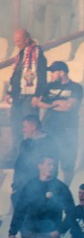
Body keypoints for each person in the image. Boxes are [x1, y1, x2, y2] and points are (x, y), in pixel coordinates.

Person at [8, 155, 74, 238]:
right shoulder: (30, 186)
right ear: (40, 166)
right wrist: (12, 232)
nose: (52, 167)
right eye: (48, 164)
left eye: (54, 165)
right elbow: (20, 210)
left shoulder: (61, 187)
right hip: (31, 235)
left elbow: (71, 212)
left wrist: (59, 230)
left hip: (51, 237)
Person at [35, 61, 83, 184]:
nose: (51, 75)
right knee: (49, 159)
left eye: (53, 72)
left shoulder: (75, 87)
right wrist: (55, 104)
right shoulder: (49, 86)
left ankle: (66, 188)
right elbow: (37, 102)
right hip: (49, 128)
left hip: (68, 130)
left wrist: (50, 105)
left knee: (67, 162)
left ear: (62, 72)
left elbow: (69, 106)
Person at [8, 28, 47, 160]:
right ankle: (18, 154)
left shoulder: (37, 54)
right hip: (17, 98)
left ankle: (33, 155)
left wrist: (38, 95)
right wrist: (10, 91)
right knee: (16, 127)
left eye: (18, 41)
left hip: (30, 98)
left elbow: (41, 76)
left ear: (26, 39)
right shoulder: (21, 54)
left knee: (31, 128)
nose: (16, 44)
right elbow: (16, 75)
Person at [11, 115, 58, 207]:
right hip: (22, 188)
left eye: (25, 127)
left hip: (40, 190)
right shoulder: (25, 143)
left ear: (33, 126)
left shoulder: (49, 143)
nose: (23, 130)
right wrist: (15, 187)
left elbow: (52, 167)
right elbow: (19, 166)